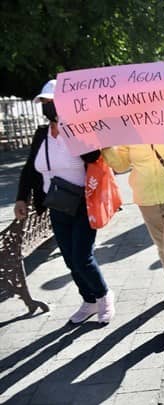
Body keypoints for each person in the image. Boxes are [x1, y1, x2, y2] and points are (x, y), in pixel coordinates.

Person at [15, 80, 115, 325]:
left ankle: (104, 296)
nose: (48, 106)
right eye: (45, 103)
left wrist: (70, 130)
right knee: (70, 259)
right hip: (56, 204)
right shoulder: (42, 134)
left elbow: (93, 156)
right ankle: (89, 300)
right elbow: (31, 169)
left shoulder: (79, 130)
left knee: (82, 257)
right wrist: (21, 198)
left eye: (52, 102)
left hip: (83, 202)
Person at [102, 87, 164, 332]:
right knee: (162, 250)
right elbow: (121, 164)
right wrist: (105, 145)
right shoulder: (127, 127)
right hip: (146, 201)